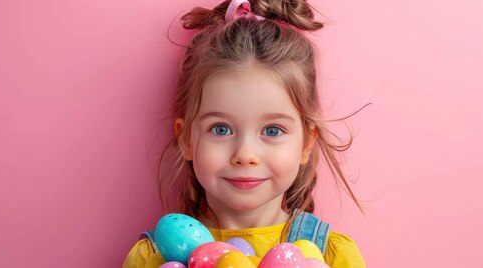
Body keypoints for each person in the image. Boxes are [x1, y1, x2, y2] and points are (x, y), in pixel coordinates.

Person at [123, 0, 368, 266]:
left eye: (272, 130)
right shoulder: (153, 257)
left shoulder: (331, 256)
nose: (245, 154)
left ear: (306, 144)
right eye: (221, 129)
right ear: (186, 139)